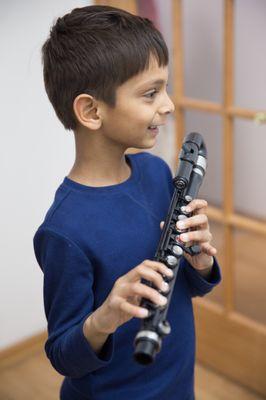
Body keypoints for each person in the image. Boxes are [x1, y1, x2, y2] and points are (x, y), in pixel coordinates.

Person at [33, 5, 221, 400]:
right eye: (150, 93)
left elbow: (180, 289)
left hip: (175, 384)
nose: (168, 105)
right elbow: (63, 356)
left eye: (165, 89)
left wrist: (199, 262)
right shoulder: (64, 231)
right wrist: (104, 318)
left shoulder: (155, 173)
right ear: (91, 110)